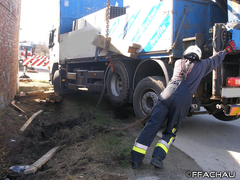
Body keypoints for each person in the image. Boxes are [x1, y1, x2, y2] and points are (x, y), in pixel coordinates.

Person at [131, 40, 236, 169]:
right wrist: (226, 50)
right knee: (170, 132)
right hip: (182, 101)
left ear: (186, 54)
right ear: (198, 56)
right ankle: (157, 159)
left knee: (152, 125)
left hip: (166, 95)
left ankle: (135, 160)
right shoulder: (202, 65)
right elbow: (215, 59)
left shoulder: (178, 63)